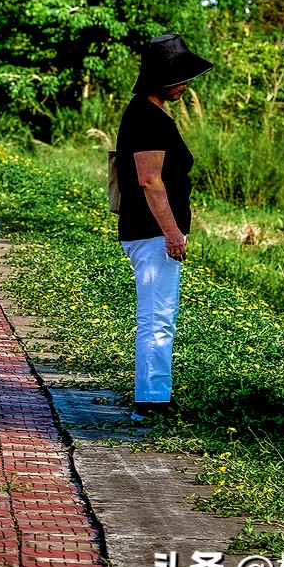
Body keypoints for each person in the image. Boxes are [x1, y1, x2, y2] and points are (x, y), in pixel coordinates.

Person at [115, 33, 213, 419]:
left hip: (149, 231)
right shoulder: (147, 118)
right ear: (164, 80)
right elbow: (149, 180)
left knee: (159, 316)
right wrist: (173, 233)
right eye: (181, 78)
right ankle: (151, 400)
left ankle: (154, 394)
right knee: (157, 317)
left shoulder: (144, 112)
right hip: (153, 233)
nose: (186, 85)